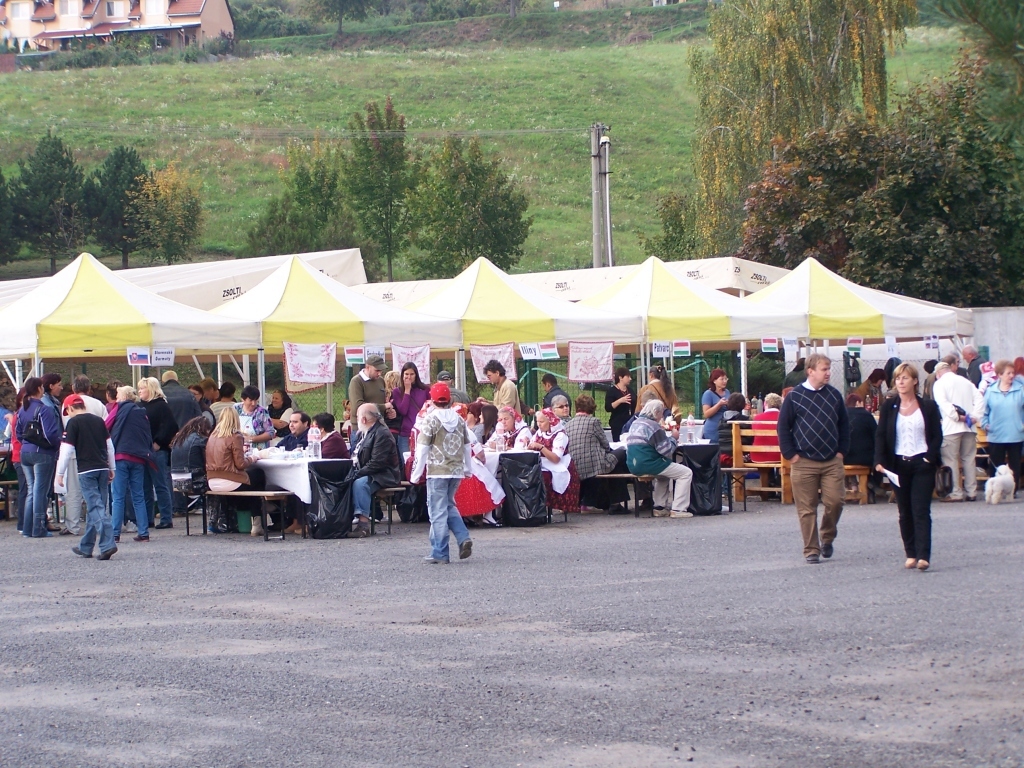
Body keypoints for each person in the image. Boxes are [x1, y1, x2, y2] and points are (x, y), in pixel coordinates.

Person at [777, 352, 849, 564]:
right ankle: (811, 549)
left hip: (831, 460)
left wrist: (841, 452)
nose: (828, 373)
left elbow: (844, 425)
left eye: (829, 369)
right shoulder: (795, 397)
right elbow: (783, 427)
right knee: (806, 509)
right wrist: (791, 455)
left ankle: (827, 536)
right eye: (824, 369)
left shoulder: (834, 395)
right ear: (810, 371)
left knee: (835, 501)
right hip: (803, 461)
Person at [875, 363, 943, 571]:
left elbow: (937, 435)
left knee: (920, 509)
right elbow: (881, 435)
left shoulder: (928, 406)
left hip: (922, 462)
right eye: (898, 378)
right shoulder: (889, 407)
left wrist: (929, 458)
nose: (901, 382)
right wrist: (879, 461)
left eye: (905, 378)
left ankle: (923, 555)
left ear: (914, 381)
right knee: (904, 511)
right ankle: (911, 553)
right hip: (898, 464)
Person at [410, 383, 475, 564]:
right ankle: (462, 537)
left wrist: (416, 474)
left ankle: (440, 551)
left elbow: (422, 448)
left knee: (437, 512)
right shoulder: (459, 420)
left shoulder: (430, 420)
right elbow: (467, 446)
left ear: (431, 400)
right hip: (456, 471)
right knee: (448, 505)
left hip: (437, 471)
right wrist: (467, 469)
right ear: (450, 400)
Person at [57, 396, 117, 560]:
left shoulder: (73, 423)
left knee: (95, 507)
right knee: (97, 507)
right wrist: (112, 467)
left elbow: (66, 450)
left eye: (67, 412)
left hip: (86, 470)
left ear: (70, 408)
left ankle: (108, 544)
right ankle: (86, 546)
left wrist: (60, 473)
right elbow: (109, 447)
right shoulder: (99, 421)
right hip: (102, 468)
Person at [205, 407, 268, 537]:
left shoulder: (212, 436)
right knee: (258, 475)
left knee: (251, 480)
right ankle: (257, 521)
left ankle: (245, 518)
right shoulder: (235, 436)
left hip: (212, 481)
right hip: (229, 481)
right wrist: (253, 458)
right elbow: (240, 464)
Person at [624, 399, 693, 518]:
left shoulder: (635, 423)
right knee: (685, 473)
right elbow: (666, 451)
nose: (662, 416)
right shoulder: (653, 426)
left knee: (663, 476)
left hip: (633, 464)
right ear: (656, 412)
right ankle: (679, 509)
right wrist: (674, 438)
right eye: (662, 413)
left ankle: (659, 507)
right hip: (649, 463)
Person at [565, 394, 629, 513]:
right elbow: (605, 444)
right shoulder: (594, 422)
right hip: (593, 465)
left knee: (614, 462)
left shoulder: (568, 425)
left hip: (575, 466)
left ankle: (602, 502)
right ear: (592, 408)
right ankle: (616, 502)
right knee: (621, 453)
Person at [107, 386, 155, 543]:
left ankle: (115, 533)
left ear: (123, 397)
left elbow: (106, 425)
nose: (116, 398)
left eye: (118, 395)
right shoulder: (141, 412)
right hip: (138, 457)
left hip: (121, 456)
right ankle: (143, 532)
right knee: (138, 496)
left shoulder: (118, 408)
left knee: (118, 497)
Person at [16, 377, 63, 538]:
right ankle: (38, 528)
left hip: (25, 452)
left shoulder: (22, 409)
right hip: (42, 453)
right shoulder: (44, 409)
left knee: (31, 490)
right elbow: (50, 434)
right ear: (38, 389)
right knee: (40, 491)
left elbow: (18, 433)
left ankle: (27, 528)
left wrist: (26, 443)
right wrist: (56, 446)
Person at [932, 361, 984, 503]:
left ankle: (956, 492)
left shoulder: (939, 384)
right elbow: (980, 399)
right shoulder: (966, 381)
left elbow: (943, 404)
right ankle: (971, 491)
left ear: (938, 374)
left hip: (951, 428)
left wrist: (957, 417)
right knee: (969, 459)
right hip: (969, 427)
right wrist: (974, 416)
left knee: (951, 460)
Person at [351, 404, 402, 538]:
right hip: (370, 472)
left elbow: (377, 463)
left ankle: (363, 525)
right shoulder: (364, 432)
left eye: (357, 416)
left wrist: (355, 474)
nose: (356, 419)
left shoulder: (382, 433)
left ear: (363, 420)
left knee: (360, 484)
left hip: (384, 475)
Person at [137, 377, 179, 530]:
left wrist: (159, 442)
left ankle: (166, 517)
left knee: (160, 484)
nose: (139, 391)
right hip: (143, 450)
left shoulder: (161, 405)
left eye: (142, 388)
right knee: (145, 486)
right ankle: (148, 518)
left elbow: (171, 426)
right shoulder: (139, 406)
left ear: (151, 389)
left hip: (157, 451)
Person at [980, 360, 1024, 488]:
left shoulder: (1021, 390)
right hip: (996, 434)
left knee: (1014, 465)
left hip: (1015, 434)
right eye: (1008, 373)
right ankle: (994, 489)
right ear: (999, 374)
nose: (1012, 376)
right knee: (996, 465)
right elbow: (984, 411)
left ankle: (1012, 490)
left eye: (1013, 373)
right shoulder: (990, 391)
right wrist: (985, 424)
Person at [529, 408, 580, 515]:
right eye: (537, 421)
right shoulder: (539, 433)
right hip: (544, 464)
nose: (539, 424)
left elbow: (556, 459)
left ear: (550, 422)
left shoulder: (560, 435)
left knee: (542, 477)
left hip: (560, 466)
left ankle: (544, 508)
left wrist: (541, 447)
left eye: (542, 422)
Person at [392, 362, 430, 456]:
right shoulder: (397, 391)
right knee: (407, 461)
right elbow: (403, 411)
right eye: (406, 374)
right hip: (406, 433)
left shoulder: (425, 389)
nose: (409, 377)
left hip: (423, 432)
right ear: (402, 375)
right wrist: (407, 390)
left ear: (416, 375)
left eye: (412, 374)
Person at [5, 389, 28, 535]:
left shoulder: (17, 415)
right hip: (20, 456)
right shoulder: (20, 415)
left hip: (20, 456)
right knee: (25, 489)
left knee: (26, 489)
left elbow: (9, 433)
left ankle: (26, 523)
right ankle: (23, 523)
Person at [234, 385, 275, 450]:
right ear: (243, 399)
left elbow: (271, 432)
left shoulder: (262, 412)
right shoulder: (236, 408)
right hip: (239, 448)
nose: (253, 403)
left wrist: (252, 439)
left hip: (259, 450)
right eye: (250, 400)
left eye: (255, 400)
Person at [717, 392, 751, 466]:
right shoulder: (745, 421)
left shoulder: (721, 421)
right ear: (742, 405)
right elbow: (751, 440)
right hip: (741, 456)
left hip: (723, 456)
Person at [845, 393, 877, 467]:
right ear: (858, 403)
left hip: (844, 458)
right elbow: (876, 437)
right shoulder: (867, 416)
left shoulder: (841, 415)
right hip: (865, 459)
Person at [750, 393, 783, 465]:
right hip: (781, 456)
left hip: (759, 456)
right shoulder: (784, 417)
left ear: (765, 403)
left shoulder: (757, 418)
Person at [605, 367, 635, 441]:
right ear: (620, 378)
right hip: (617, 424)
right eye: (628, 377)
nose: (630, 379)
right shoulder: (612, 391)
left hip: (630, 422)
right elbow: (608, 408)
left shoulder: (630, 390)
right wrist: (620, 401)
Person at [701, 368, 731, 442]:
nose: (724, 381)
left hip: (725, 429)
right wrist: (719, 404)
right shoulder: (708, 394)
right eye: (722, 379)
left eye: (726, 379)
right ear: (714, 381)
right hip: (713, 429)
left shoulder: (727, 392)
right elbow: (706, 414)